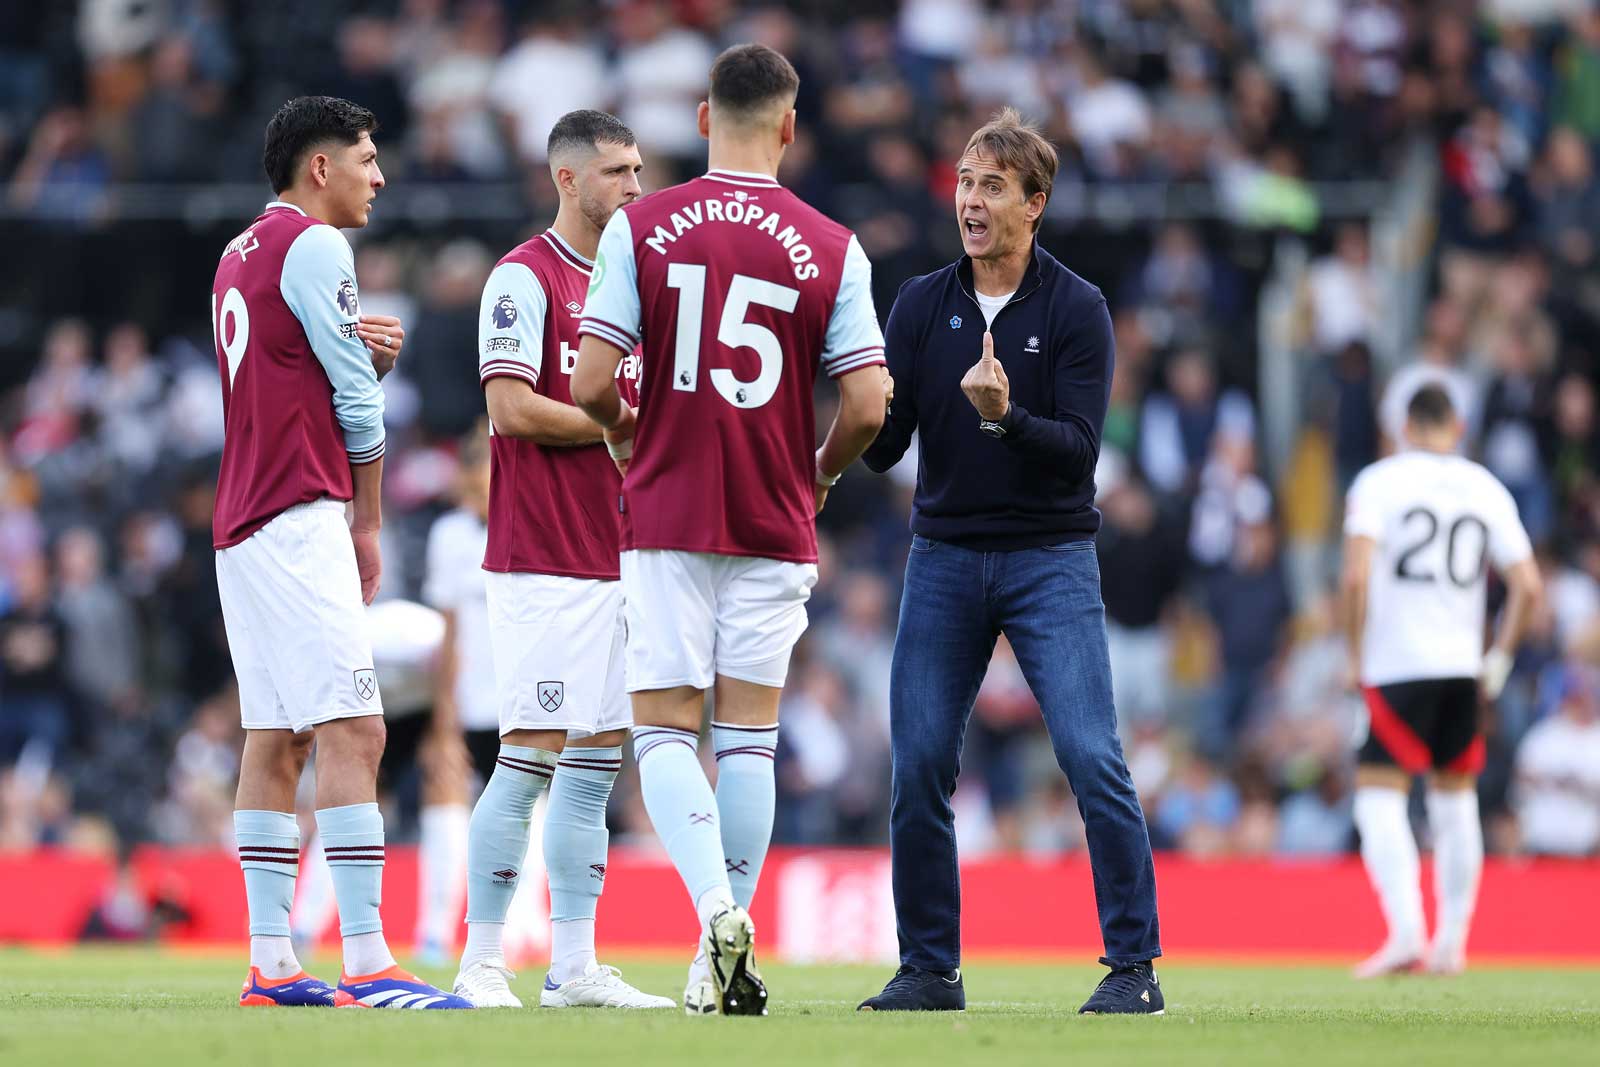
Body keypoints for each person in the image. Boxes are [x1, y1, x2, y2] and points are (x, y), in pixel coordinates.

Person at [571, 44, 890, 1016]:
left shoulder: (643, 227)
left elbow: (589, 383)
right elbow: (870, 403)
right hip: (773, 514)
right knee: (749, 736)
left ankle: (714, 908)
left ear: (704, 120)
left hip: (667, 511)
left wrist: (628, 437)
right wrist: (822, 471)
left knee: (663, 726)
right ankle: (726, 947)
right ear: (790, 127)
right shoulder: (833, 245)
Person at [857, 108, 1163, 1014]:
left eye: (992, 186)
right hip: (944, 554)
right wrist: (856, 412)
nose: (971, 201)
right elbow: (887, 448)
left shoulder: (1078, 309)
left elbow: (1077, 452)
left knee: (1090, 754)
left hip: (1049, 557)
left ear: (1037, 203)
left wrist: (1002, 416)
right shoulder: (919, 303)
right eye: (963, 182)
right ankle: (929, 969)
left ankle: (1134, 967)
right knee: (916, 762)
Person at [214, 95, 469, 1010]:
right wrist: (366, 521)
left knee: (274, 734)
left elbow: (282, 379)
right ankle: (367, 962)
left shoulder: (238, 254)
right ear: (319, 167)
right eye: (366, 157)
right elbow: (354, 408)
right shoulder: (319, 245)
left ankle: (272, 961)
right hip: (299, 513)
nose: (379, 174)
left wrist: (352, 353)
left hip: (241, 520)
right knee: (356, 727)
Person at [452, 109, 671, 1011]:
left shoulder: (638, 286)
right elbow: (510, 410)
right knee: (529, 756)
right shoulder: (523, 278)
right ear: (569, 180)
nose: (635, 186)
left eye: (638, 169)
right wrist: (619, 424)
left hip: (624, 555)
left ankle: (575, 966)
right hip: (543, 557)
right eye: (618, 171)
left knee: (594, 765)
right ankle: (479, 961)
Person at [1341, 384, 1541, 977]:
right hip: (1462, 665)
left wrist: (1353, 654)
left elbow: (1355, 578)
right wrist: (1499, 656)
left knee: (1380, 795)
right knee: (1456, 804)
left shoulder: (1379, 482)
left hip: (1396, 662)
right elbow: (1528, 586)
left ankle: (1406, 931)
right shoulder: (1484, 486)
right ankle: (1452, 941)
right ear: (1456, 426)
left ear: (1405, 426)